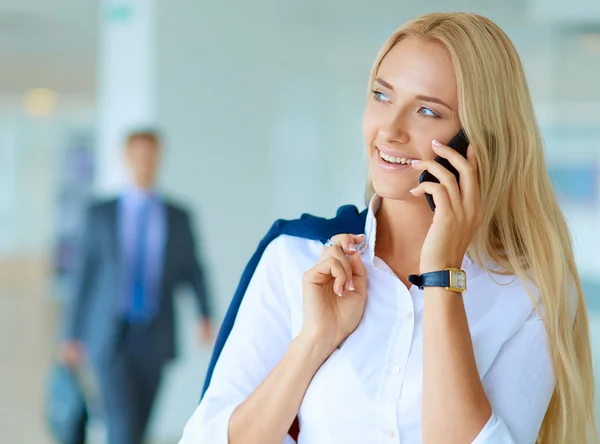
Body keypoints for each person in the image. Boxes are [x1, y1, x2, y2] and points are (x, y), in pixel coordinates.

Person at [180, 12, 597, 444]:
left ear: (477, 140)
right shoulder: (297, 257)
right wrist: (314, 341)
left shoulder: (529, 293)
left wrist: (442, 277)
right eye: (382, 96)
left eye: (426, 111)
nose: (390, 130)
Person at [61, 129, 214, 444]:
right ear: (125, 159)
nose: (144, 162)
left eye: (151, 155)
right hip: (110, 334)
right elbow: (83, 279)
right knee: (123, 423)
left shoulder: (178, 217)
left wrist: (204, 314)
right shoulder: (100, 215)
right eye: (137, 155)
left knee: (140, 422)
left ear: (159, 159)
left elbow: (192, 270)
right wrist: (71, 335)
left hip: (155, 335)